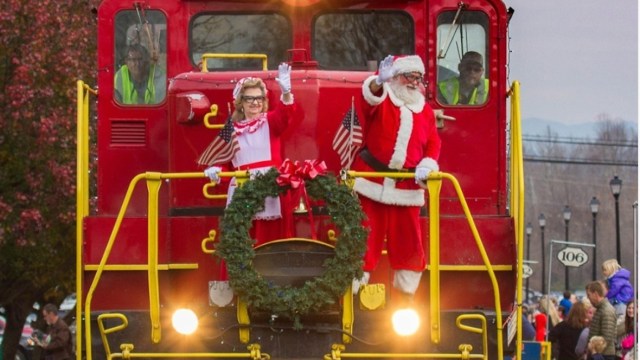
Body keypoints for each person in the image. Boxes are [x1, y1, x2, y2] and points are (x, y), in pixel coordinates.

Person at [350, 54, 441, 297]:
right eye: (408, 76)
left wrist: (428, 165)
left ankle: (406, 295)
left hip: (407, 189)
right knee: (364, 239)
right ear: (396, 77)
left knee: (409, 242)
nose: (413, 82)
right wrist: (378, 82)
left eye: (418, 78)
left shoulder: (426, 112)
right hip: (371, 182)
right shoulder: (383, 100)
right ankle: (355, 293)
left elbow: (433, 143)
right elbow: (368, 100)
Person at [199, 63, 297, 245]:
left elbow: (286, 115)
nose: (255, 102)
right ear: (240, 103)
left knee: (269, 242)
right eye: (249, 99)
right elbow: (224, 161)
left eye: (259, 98)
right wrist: (216, 170)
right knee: (241, 242)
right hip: (241, 190)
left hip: (269, 190)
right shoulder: (231, 129)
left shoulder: (270, 122)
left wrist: (286, 93)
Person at [585, 281, 618, 360]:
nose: (587, 298)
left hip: (603, 355)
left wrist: (594, 350)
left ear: (595, 294)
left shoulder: (606, 311)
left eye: (588, 295)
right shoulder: (600, 309)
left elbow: (606, 338)